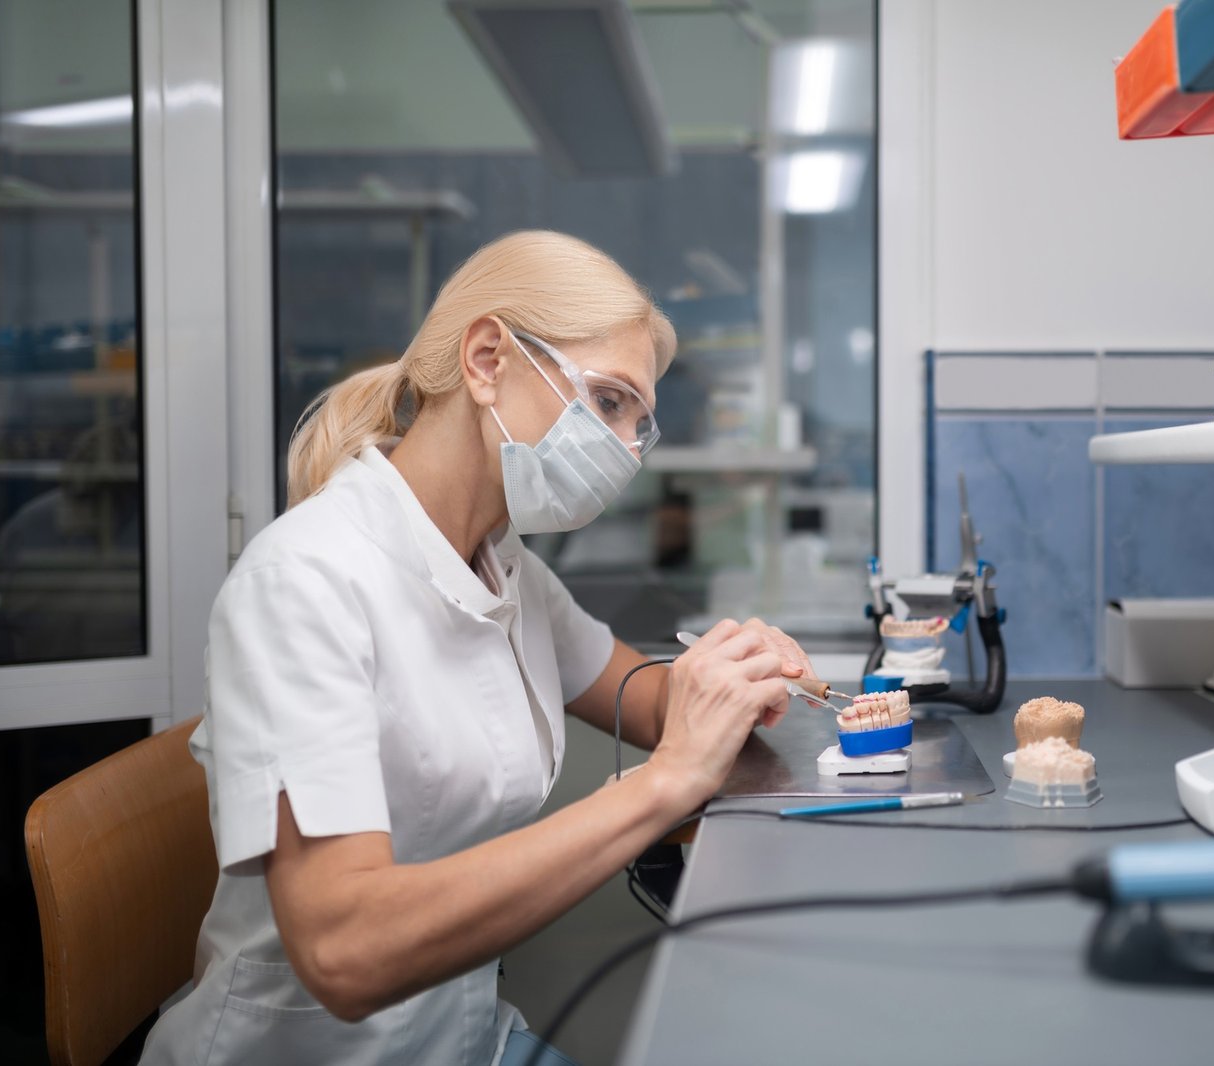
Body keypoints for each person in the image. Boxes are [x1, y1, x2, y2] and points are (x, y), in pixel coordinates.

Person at [141, 231, 812, 1065]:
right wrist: (666, 783)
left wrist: (733, 676)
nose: (623, 451)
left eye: (639, 424)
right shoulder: (305, 582)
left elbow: (643, 696)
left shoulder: (504, 564)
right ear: (488, 357)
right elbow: (343, 951)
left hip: (463, 1040)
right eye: (607, 403)